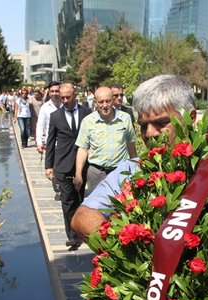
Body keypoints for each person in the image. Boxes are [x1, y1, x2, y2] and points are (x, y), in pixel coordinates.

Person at [71, 75, 196, 239]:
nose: (150, 133)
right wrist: (130, 252)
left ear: (190, 119)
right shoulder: (130, 170)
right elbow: (82, 218)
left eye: (161, 123)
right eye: (144, 126)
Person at [45, 83, 92, 250]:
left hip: (83, 162)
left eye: (68, 97)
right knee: (67, 201)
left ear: (75, 95)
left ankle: (81, 230)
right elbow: (50, 141)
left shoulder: (87, 112)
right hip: (62, 163)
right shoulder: (56, 116)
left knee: (80, 198)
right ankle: (72, 236)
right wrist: (48, 165)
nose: (64, 100)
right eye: (62, 97)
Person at [73, 86, 136, 195]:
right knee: (98, 206)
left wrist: (135, 168)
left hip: (120, 171)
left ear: (113, 100)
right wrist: (78, 173)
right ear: (95, 102)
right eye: (101, 102)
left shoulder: (125, 118)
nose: (105, 105)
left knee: (121, 205)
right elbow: (82, 149)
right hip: (97, 173)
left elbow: (131, 145)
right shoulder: (88, 121)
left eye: (108, 101)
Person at [36, 81, 63, 199]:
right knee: (54, 167)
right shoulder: (45, 108)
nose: (55, 94)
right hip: (51, 143)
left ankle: (65, 186)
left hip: (66, 142)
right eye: (52, 91)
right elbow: (40, 126)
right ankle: (58, 189)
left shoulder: (66, 105)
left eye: (57, 91)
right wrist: (39, 143)